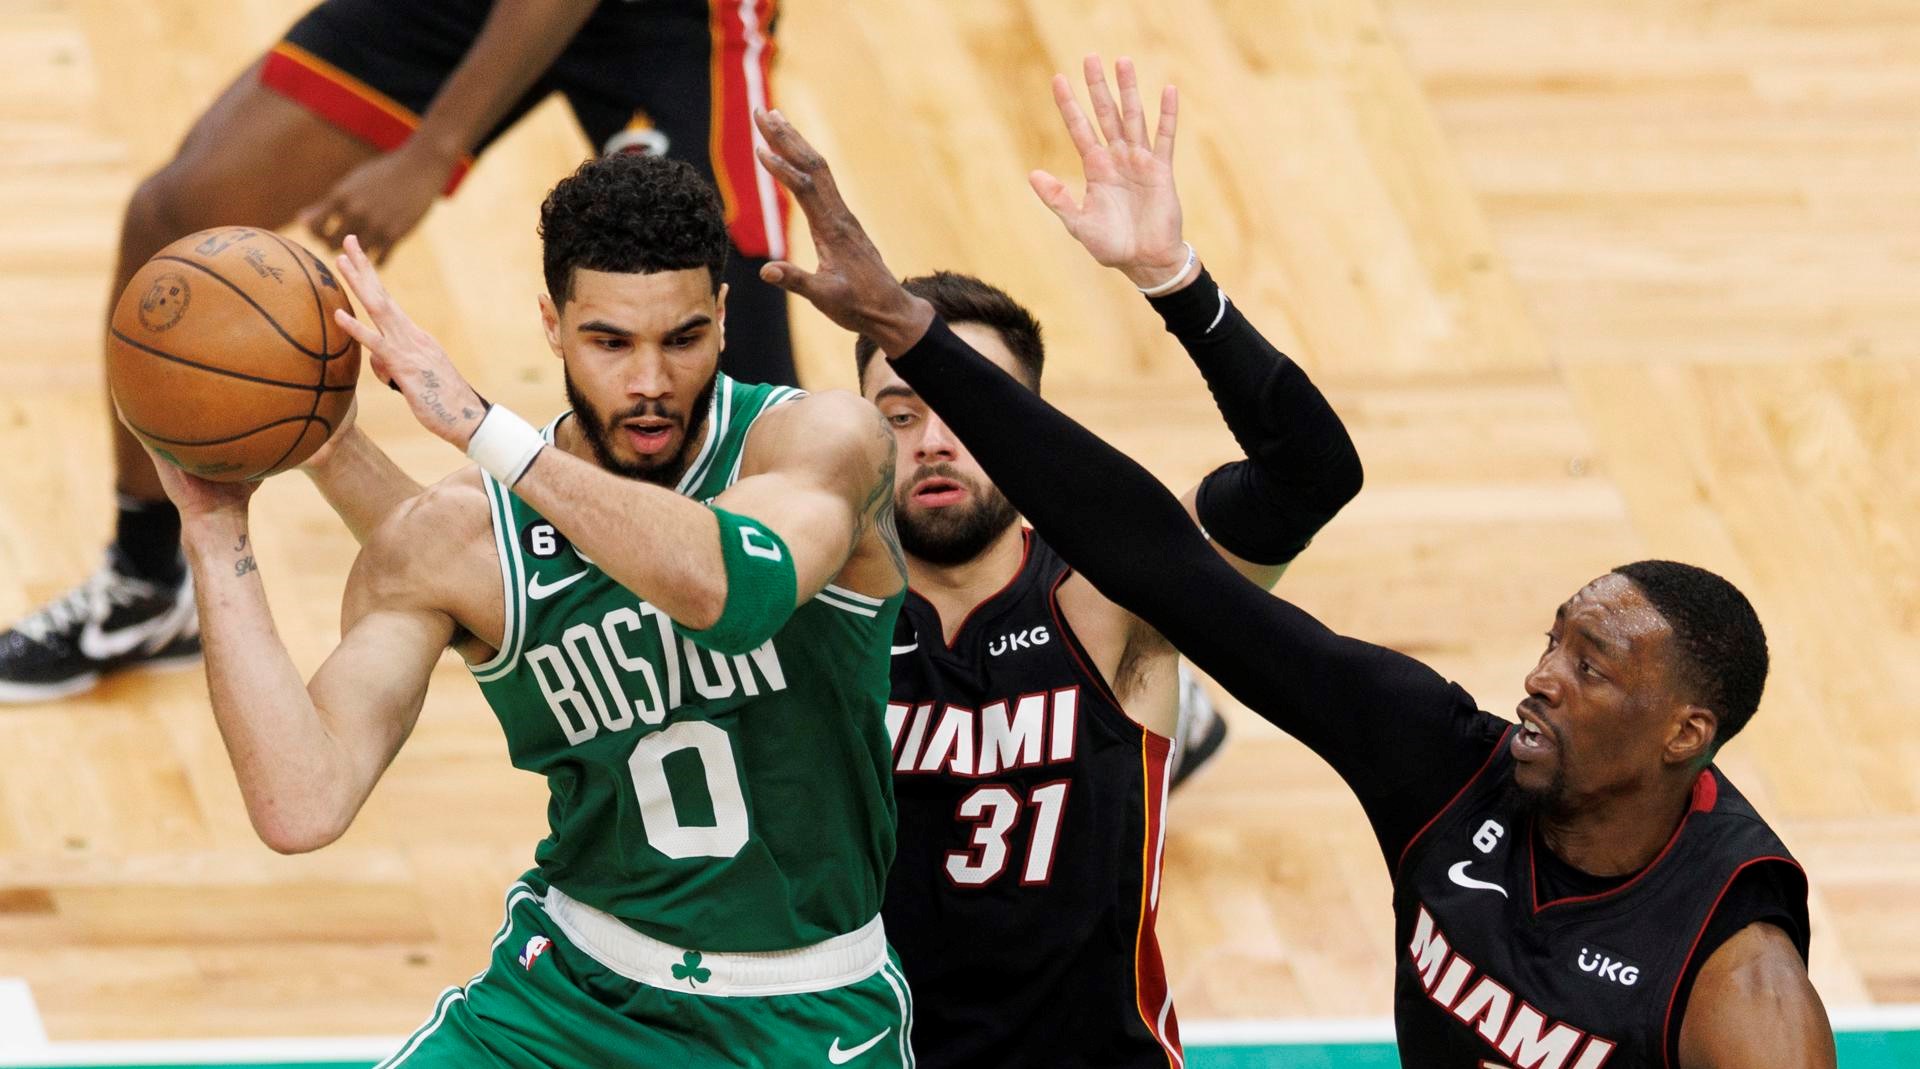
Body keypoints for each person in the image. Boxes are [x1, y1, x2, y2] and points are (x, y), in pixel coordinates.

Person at [748, 70, 1839, 1069]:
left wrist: (1136, 289)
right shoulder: (1448, 763)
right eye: (901, 412)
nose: (1541, 676)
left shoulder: (1737, 975)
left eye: (1589, 665)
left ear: (1685, 732)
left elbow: (1262, 492)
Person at [144, 152, 912, 1067]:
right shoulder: (461, 540)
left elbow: (728, 597)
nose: (650, 383)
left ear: (724, 316)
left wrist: (482, 428)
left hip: (802, 1007)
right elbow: (300, 802)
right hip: (569, 994)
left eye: (682, 337)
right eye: (610, 341)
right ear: (552, 324)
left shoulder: (819, 443)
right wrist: (212, 528)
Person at [0, 0, 797, 704]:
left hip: (676, 16)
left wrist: (431, 150)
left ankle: (839, 661)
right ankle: (144, 584)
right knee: (175, 213)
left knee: (739, 341)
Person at [861, 59, 1361, 1067]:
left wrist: (1173, 278)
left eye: (966, 410)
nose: (932, 442)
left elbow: (1311, 474)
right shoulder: (818, 609)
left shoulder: (1108, 597)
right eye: (899, 415)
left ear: (1023, 426)